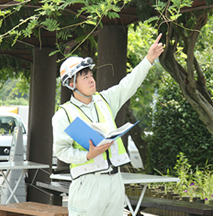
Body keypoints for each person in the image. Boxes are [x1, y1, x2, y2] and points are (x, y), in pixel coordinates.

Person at [52, 34, 164, 216]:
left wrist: (149, 59)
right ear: (71, 84)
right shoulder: (63, 115)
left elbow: (128, 84)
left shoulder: (104, 99)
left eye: (90, 75)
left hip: (115, 181)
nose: (91, 79)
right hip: (88, 183)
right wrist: (89, 154)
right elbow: (62, 151)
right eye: (84, 77)